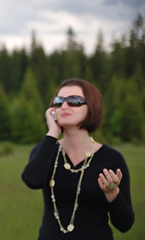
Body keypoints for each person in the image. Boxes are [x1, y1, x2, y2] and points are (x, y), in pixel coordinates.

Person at [21, 78, 134, 239]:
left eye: (74, 101)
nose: (64, 106)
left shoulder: (111, 159)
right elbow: (32, 180)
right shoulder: (45, 150)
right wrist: (52, 132)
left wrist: (113, 194)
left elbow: (125, 224)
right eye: (59, 101)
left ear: (92, 107)